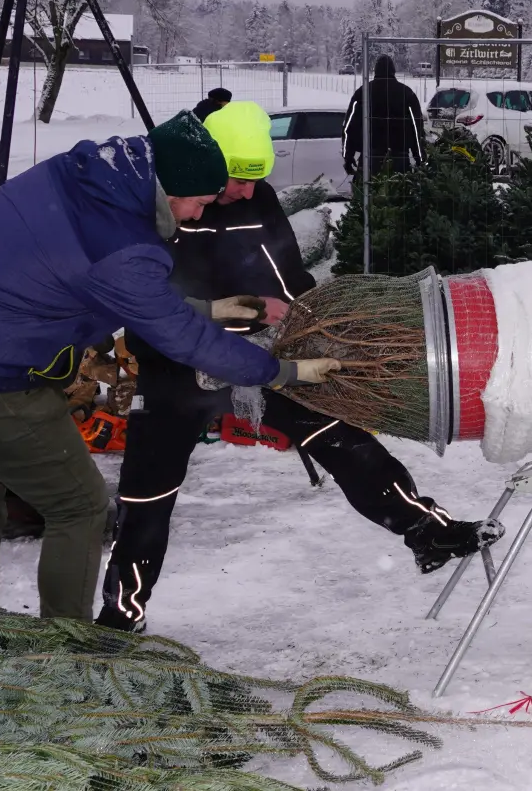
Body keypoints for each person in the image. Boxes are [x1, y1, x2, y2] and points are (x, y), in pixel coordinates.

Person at [0, 110, 342, 621]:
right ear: (175, 189)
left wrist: (213, 308)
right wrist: (284, 373)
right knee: (81, 509)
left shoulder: (81, 176)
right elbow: (182, 338)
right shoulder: (125, 249)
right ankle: (68, 655)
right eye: (200, 203)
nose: (196, 217)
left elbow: (93, 286)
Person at [96, 98, 504, 633]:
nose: (246, 191)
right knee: (148, 490)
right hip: (174, 366)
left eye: (253, 179)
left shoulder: (257, 199)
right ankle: (122, 613)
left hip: (261, 355)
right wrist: (229, 312)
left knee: (342, 437)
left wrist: (309, 321)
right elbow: (145, 302)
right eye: (237, 179)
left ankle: (429, 532)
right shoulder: (159, 205)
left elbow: (287, 274)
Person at [342, 55, 426, 176]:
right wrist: (420, 158)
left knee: (367, 190)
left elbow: (349, 127)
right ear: (393, 71)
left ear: (375, 71)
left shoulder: (363, 92)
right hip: (399, 156)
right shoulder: (407, 93)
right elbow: (417, 127)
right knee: (399, 192)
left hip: (369, 155)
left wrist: (348, 156)